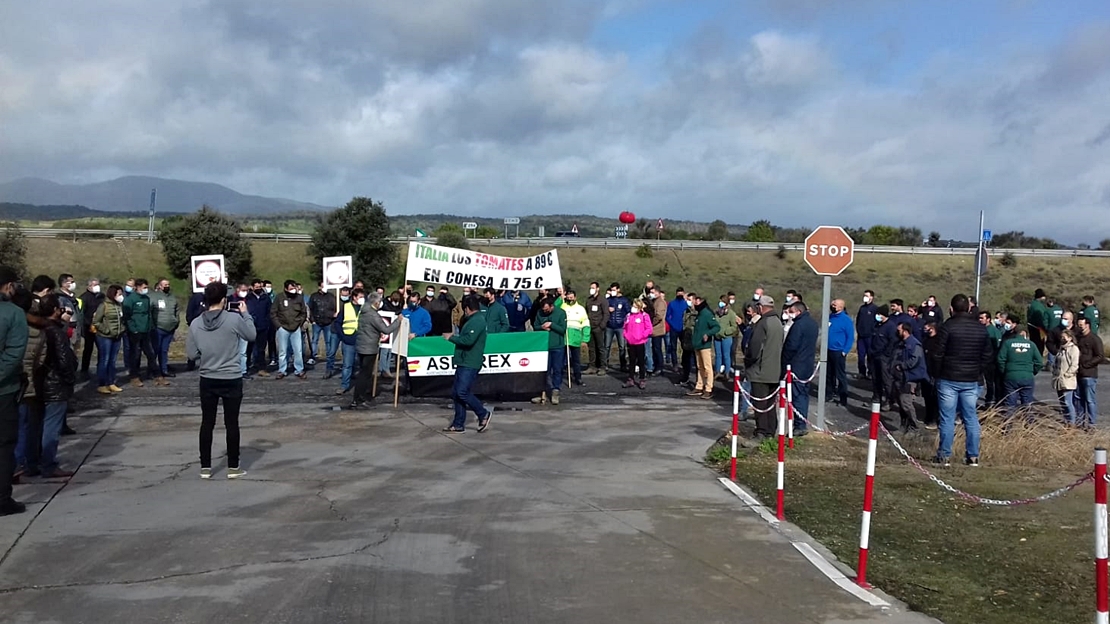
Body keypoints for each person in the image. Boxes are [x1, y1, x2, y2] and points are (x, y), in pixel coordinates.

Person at [185, 282, 255, 479]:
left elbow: (191, 354)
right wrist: (246, 315)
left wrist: (205, 354)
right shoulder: (233, 319)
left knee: (207, 422)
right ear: (224, 299)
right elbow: (252, 335)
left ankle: (205, 467)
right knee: (231, 423)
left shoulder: (196, 323)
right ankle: (233, 466)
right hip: (231, 376)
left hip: (208, 376)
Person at [929, 294, 992, 467]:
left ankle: (945, 455)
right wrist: (977, 370)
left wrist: (937, 373)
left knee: (947, 418)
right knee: (970, 417)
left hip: (949, 377)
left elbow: (937, 353)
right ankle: (973, 456)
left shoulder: (947, 327)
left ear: (952, 308)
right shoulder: (980, 328)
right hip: (971, 379)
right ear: (969, 308)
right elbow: (987, 355)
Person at [19, 294, 77, 479]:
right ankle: (48, 464)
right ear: (56, 310)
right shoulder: (55, 331)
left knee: (34, 427)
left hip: (38, 384)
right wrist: (68, 380)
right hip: (54, 384)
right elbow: (64, 360)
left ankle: (31, 463)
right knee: (51, 426)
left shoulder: (36, 329)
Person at [0, 267, 29, 515]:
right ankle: (2, 498)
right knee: (4, 444)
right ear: (8, 286)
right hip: (4, 391)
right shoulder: (13, 313)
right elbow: (13, 354)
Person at [443, 296, 492, 433]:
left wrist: (451, 338)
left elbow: (469, 340)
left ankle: (482, 413)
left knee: (462, 391)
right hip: (463, 360)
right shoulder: (472, 320)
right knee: (457, 393)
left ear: (467, 308)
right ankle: (458, 423)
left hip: (470, 362)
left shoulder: (477, 321)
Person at [743, 295, 784, 444]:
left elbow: (754, 347)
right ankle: (770, 431)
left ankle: (761, 431)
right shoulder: (778, 323)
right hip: (775, 370)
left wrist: (748, 361)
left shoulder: (763, 323)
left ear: (760, 307)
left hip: (760, 370)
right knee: (771, 404)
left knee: (760, 403)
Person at [350, 292, 401, 410]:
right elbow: (386, 329)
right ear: (376, 303)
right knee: (365, 374)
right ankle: (358, 399)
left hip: (361, 345)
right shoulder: (373, 315)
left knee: (364, 373)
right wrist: (397, 321)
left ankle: (359, 397)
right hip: (369, 348)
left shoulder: (363, 311)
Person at [781, 301, 817, 433]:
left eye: (791, 311)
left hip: (796, 366)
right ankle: (801, 421)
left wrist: (784, 364)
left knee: (797, 396)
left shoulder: (798, 325)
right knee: (803, 395)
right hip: (808, 364)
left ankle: (799, 425)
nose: (790, 315)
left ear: (798, 312)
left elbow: (791, 346)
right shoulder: (812, 324)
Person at [890, 321, 927, 432]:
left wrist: (902, 366)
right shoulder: (900, 344)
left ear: (905, 332)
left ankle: (914, 427)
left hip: (909, 378)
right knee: (901, 403)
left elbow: (914, 360)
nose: (897, 332)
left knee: (906, 402)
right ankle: (904, 425)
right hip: (899, 377)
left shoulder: (914, 344)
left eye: (899, 331)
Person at [998, 322, 1043, 411]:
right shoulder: (1031, 344)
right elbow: (1039, 363)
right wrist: (1032, 372)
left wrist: (1005, 371)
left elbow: (1000, 359)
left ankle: (1009, 423)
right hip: (1027, 376)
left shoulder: (1008, 343)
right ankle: (1028, 423)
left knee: (1010, 403)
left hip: (1011, 376)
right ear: (1024, 333)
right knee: (1027, 403)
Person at [123, 279, 159, 387]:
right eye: (144, 287)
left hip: (146, 330)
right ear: (137, 287)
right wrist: (133, 329)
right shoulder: (130, 299)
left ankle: (157, 375)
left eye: (146, 287)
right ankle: (134, 376)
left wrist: (150, 327)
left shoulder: (146, 299)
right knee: (135, 354)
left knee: (150, 354)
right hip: (135, 331)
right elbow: (127, 316)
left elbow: (148, 314)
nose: (146, 289)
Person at [531, 298, 567, 406]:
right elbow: (535, 326)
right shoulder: (539, 313)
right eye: (544, 310)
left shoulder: (561, 313)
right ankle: (542, 392)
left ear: (552, 306)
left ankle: (555, 391)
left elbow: (563, 329)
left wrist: (552, 325)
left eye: (547, 310)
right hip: (544, 346)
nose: (545, 312)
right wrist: (541, 327)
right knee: (544, 371)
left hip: (557, 346)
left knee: (557, 369)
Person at [91, 285, 126, 394]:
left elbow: (121, 319)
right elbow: (96, 321)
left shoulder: (119, 305)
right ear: (113, 294)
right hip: (105, 337)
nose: (121, 296)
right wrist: (106, 331)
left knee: (113, 361)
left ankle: (111, 382)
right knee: (104, 360)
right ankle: (102, 384)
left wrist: (122, 329)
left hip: (117, 336)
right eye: (119, 294)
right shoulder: (104, 305)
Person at [271, 280, 308, 380]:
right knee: (283, 351)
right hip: (283, 327)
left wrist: (299, 323)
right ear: (286, 289)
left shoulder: (299, 298)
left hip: (296, 327)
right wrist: (278, 326)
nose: (293, 290)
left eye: (294, 288)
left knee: (298, 350)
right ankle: (282, 370)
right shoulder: (279, 297)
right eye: (291, 289)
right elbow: (273, 313)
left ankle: (299, 370)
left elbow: (303, 313)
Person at [1075, 316, 1105, 428]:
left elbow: (1100, 356)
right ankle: (1080, 422)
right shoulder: (1077, 337)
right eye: (1078, 325)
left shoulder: (1094, 339)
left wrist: (1086, 365)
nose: (1079, 327)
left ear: (1087, 325)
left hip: (1089, 374)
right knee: (1079, 400)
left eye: (1081, 325)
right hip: (1077, 374)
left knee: (1089, 400)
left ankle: (1092, 424)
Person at [148, 278, 179, 380]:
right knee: (155, 350)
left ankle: (164, 369)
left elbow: (177, 310)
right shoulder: (153, 296)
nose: (167, 286)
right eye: (165, 284)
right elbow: (150, 311)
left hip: (170, 328)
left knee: (164, 350)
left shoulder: (172, 297)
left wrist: (176, 321)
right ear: (160, 286)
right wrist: (152, 325)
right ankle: (152, 370)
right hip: (158, 327)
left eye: (168, 284)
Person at [826, 299, 855, 407]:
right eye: (832, 304)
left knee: (840, 375)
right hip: (828, 350)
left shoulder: (846, 320)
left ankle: (843, 397)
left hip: (838, 351)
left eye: (835, 304)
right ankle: (829, 393)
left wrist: (845, 351)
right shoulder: (830, 317)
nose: (832, 306)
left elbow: (850, 337)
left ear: (841, 307)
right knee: (829, 374)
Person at [332, 287, 360, 396]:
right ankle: (344, 385)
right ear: (354, 297)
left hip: (362, 339)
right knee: (347, 364)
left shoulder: (365, 308)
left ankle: (362, 386)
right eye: (360, 297)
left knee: (361, 366)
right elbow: (338, 322)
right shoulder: (346, 307)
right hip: (349, 339)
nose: (362, 299)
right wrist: (342, 336)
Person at [308, 282, 339, 379]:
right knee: (315, 340)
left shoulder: (331, 296)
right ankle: (313, 356)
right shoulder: (314, 296)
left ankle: (329, 357)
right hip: (317, 321)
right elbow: (310, 308)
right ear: (319, 287)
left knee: (328, 341)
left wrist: (333, 315)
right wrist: (312, 319)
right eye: (322, 286)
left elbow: (335, 308)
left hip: (328, 322)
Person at [561, 289, 590, 386]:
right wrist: (561, 296)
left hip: (576, 338)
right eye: (568, 298)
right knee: (562, 359)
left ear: (575, 298)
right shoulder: (562, 306)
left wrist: (585, 339)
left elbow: (586, 324)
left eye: (571, 298)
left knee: (576, 360)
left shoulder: (581, 309)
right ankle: (560, 377)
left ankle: (578, 378)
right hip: (564, 337)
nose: (570, 299)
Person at [622, 299, 652, 389]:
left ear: (639, 308)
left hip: (640, 342)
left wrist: (642, 336)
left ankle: (642, 379)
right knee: (631, 362)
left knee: (641, 362)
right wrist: (626, 335)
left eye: (635, 307)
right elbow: (624, 327)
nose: (633, 308)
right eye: (632, 306)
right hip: (631, 342)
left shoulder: (644, 316)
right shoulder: (628, 316)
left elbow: (649, 328)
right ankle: (630, 379)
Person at [1052, 329, 1080, 425]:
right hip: (1058, 380)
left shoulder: (1074, 349)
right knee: (1062, 403)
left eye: (1064, 337)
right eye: (1061, 337)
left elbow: (1074, 365)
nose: (1062, 339)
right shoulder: (1061, 349)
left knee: (1068, 403)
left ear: (1070, 338)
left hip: (1068, 381)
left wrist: (1067, 375)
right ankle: (1066, 421)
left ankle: (1072, 423)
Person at [245, 280, 272, 376]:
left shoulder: (266, 298)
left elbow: (269, 311)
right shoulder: (247, 298)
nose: (258, 289)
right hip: (250, 327)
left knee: (261, 349)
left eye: (260, 287)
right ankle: (246, 368)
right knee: (248, 349)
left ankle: (262, 369)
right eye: (256, 287)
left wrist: (267, 322)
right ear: (252, 287)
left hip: (262, 327)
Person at [78, 278, 103, 375]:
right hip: (88, 327)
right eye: (95, 284)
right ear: (89, 286)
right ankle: (84, 370)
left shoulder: (101, 296)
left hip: (100, 327)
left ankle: (101, 368)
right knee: (88, 349)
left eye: (98, 284)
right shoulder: (84, 298)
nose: (97, 286)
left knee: (102, 348)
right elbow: (81, 314)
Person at [604, 283, 630, 373]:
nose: (612, 291)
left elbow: (628, 312)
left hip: (620, 326)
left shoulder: (624, 300)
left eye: (614, 290)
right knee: (606, 346)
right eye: (611, 290)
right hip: (609, 326)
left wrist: (624, 321)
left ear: (618, 289)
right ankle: (605, 364)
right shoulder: (607, 300)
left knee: (622, 346)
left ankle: (623, 365)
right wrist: (607, 309)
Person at [584, 282, 609, 375]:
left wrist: (601, 326)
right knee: (591, 348)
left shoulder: (602, 300)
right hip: (590, 327)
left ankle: (602, 366)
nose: (591, 289)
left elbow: (606, 314)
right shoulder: (588, 300)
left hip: (599, 327)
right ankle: (592, 366)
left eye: (593, 288)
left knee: (600, 348)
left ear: (598, 289)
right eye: (591, 287)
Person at [920, 322, 941, 429]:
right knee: (927, 397)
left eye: (927, 326)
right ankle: (928, 417)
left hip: (935, 374)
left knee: (935, 398)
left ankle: (935, 419)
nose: (925, 328)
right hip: (925, 373)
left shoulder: (939, 341)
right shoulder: (925, 340)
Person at [713, 296, 738, 380]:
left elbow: (734, 327)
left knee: (726, 355)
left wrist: (726, 332)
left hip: (726, 337)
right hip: (717, 337)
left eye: (722, 301)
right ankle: (717, 371)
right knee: (718, 355)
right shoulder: (716, 312)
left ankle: (727, 373)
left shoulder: (731, 313)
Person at [855, 290, 878, 379]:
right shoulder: (862, 308)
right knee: (861, 355)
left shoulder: (875, 309)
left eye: (867, 296)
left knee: (870, 355)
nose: (865, 297)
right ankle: (861, 372)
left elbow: (877, 322)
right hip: (861, 336)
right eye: (864, 295)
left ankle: (870, 372)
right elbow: (858, 320)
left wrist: (873, 332)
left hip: (870, 336)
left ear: (871, 297)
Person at [665, 287, 687, 371]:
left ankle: (684, 363)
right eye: (678, 293)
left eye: (681, 293)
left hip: (683, 328)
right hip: (673, 328)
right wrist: (672, 324)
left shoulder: (685, 304)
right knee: (673, 347)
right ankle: (675, 364)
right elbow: (667, 316)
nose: (680, 294)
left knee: (684, 346)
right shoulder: (672, 303)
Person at [185, 288, 206, 372]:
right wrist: (190, 321)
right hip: (195, 323)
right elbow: (190, 310)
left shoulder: (210, 297)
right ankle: (191, 363)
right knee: (194, 344)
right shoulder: (196, 297)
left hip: (207, 323)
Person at [649, 286, 667, 375]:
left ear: (657, 292)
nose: (651, 294)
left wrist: (651, 323)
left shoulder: (660, 303)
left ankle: (659, 367)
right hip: (654, 330)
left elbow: (659, 316)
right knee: (654, 349)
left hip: (657, 329)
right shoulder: (655, 302)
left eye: (653, 292)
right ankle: (656, 366)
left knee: (657, 349)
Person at [1026, 288, 1049, 356]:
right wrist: (1045, 329)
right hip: (1038, 329)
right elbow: (1041, 318)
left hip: (1032, 328)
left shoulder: (1033, 304)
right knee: (1039, 346)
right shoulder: (1038, 307)